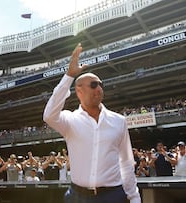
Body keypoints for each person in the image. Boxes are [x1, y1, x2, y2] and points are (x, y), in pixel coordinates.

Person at [43, 43, 141, 203]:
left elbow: (126, 163)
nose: (99, 88)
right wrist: (69, 76)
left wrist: (134, 197)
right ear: (79, 91)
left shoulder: (119, 121)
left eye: (101, 85)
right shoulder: (70, 120)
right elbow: (49, 115)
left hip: (113, 195)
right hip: (77, 196)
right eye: (94, 85)